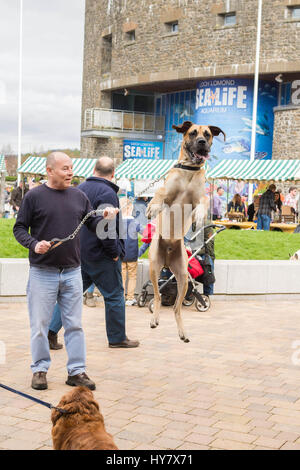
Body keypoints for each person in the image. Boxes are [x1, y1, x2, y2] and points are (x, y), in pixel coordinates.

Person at [13, 152, 118, 391]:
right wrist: (33, 244)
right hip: (42, 272)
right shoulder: (34, 196)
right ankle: (39, 369)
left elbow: (90, 224)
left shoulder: (79, 196)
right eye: (64, 168)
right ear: (49, 171)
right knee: (39, 325)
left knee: (75, 325)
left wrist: (105, 217)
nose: (70, 172)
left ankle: (77, 372)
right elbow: (19, 228)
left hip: (72, 271)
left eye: (71, 168)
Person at [48, 157, 139, 349]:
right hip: (101, 255)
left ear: (93, 169)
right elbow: (106, 227)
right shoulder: (107, 193)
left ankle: (50, 331)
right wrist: (114, 252)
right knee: (114, 295)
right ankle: (117, 338)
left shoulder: (79, 188)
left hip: (78, 252)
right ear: (113, 174)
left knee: (69, 296)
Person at [120, 198, 140, 306]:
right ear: (129, 209)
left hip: (121, 254)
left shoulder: (118, 223)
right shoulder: (135, 222)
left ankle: (121, 297)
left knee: (121, 276)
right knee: (132, 276)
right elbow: (144, 233)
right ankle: (130, 298)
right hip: (132, 254)